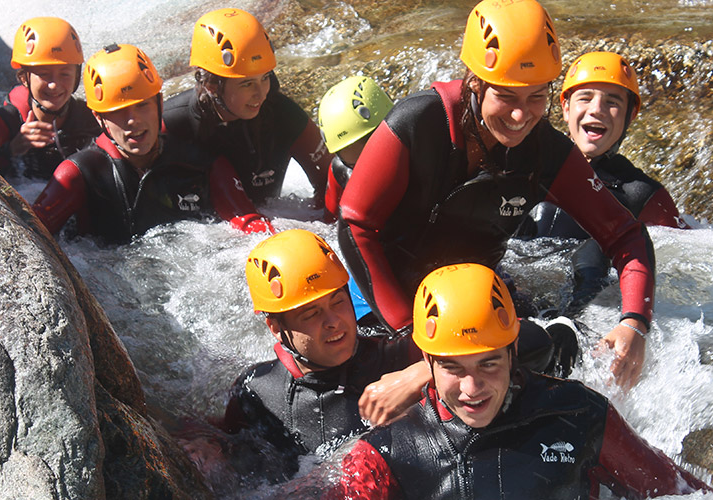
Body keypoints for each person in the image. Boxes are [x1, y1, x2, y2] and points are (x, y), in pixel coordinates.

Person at [338, 0, 655, 389]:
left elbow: (625, 234)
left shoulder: (547, 153)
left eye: (536, 97)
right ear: (475, 81)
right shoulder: (417, 122)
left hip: (472, 298)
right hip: (382, 295)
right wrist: (410, 336)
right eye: (507, 95)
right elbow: (356, 224)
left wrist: (634, 324)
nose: (521, 116)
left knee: (560, 348)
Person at [332, 263, 713, 499]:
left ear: (513, 350)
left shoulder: (579, 414)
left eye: (488, 364)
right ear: (426, 361)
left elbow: (678, 491)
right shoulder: (385, 454)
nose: (471, 388)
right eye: (453, 368)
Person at [216, 229, 426, 480]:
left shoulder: (397, 358)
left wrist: (420, 374)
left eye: (338, 302)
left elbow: (477, 361)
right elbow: (225, 444)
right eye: (311, 313)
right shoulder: (256, 392)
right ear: (276, 328)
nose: (334, 322)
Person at [32, 43, 272, 244]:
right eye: (118, 112)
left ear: (159, 102)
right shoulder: (79, 174)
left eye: (142, 105)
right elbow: (31, 235)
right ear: (99, 118)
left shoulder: (201, 163)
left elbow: (249, 223)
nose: (133, 121)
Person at [531, 51, 689, 310]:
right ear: (566, 107)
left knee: (594, 251)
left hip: (583, 304)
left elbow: (693, 251)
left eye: (612, 102)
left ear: (632, 114)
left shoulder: (641, 193)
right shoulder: (526, 164)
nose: (597, 110)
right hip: (516, 288)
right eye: (585, 98)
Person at [162, 8, 332, 213]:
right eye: (247, 84)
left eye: (265, 77)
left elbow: (332, 182)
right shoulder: (172, 125)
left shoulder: (283, 114)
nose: (261, 94)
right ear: (211, 85)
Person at [0, 17, 100, 180]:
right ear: (24, 79)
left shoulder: (89, 119)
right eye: (44, 74)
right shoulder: (8, 121)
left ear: (76, 77)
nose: (54, 85)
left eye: (65, 74)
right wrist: (12, 149)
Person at [317, 75, 394, 215]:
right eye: (354, 166)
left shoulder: (420, 153)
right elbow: (331, 223)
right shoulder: (340, 172)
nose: (367, 174)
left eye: (373, 158)